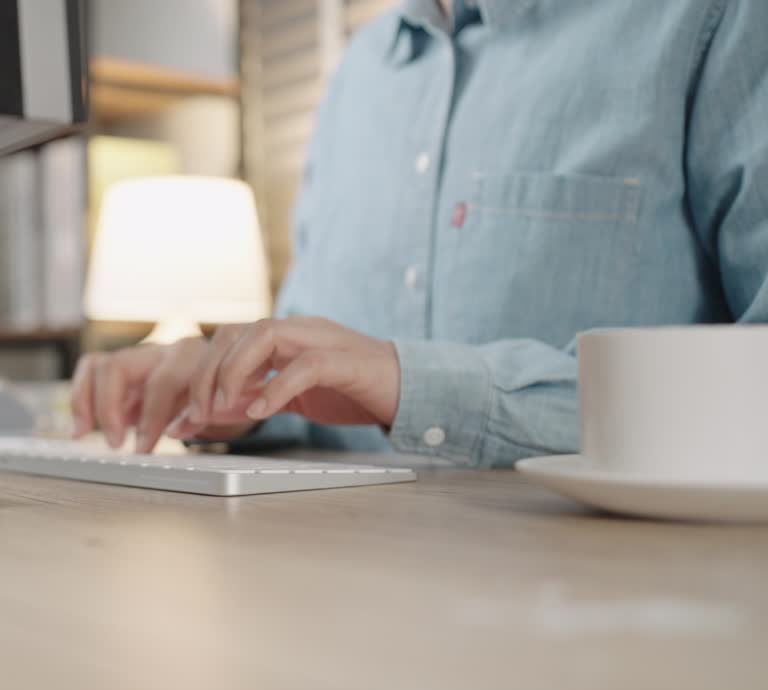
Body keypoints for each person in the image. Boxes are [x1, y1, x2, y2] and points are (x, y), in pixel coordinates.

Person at [70, 0, 768, 468]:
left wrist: (421, 386)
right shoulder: (359, 74)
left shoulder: (717, 19)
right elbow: (327, 394)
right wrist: (237, 399)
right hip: (337, 606)